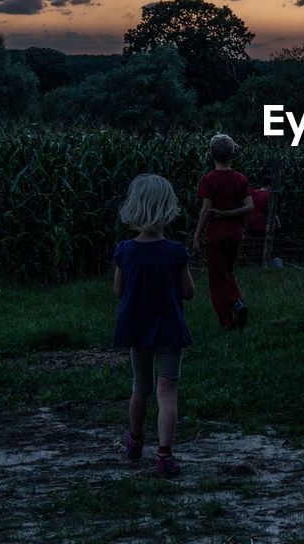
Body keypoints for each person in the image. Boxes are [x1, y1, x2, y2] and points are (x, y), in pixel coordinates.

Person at [112, 174, 195, 478]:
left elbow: (119, 292)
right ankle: (165, 455)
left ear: (134, 207)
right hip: (169, 331)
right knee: (167, 389)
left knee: (140, 386)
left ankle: (134, 441)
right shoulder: (175, 252)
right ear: (168, 208)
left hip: (137, 328)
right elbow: (188, 292)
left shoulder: (125, 251)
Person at [189, 133, 253, 330]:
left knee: (216, 279)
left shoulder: (208, 179)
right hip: (236, 234)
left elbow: (206, 210)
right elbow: (249, 206)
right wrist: (231, 213)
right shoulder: (240, 179)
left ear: (211, 154)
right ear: (232, 154)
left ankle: (226, 322)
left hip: (216, 234)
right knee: (228, 271)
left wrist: (196, 236)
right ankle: (237, 303)